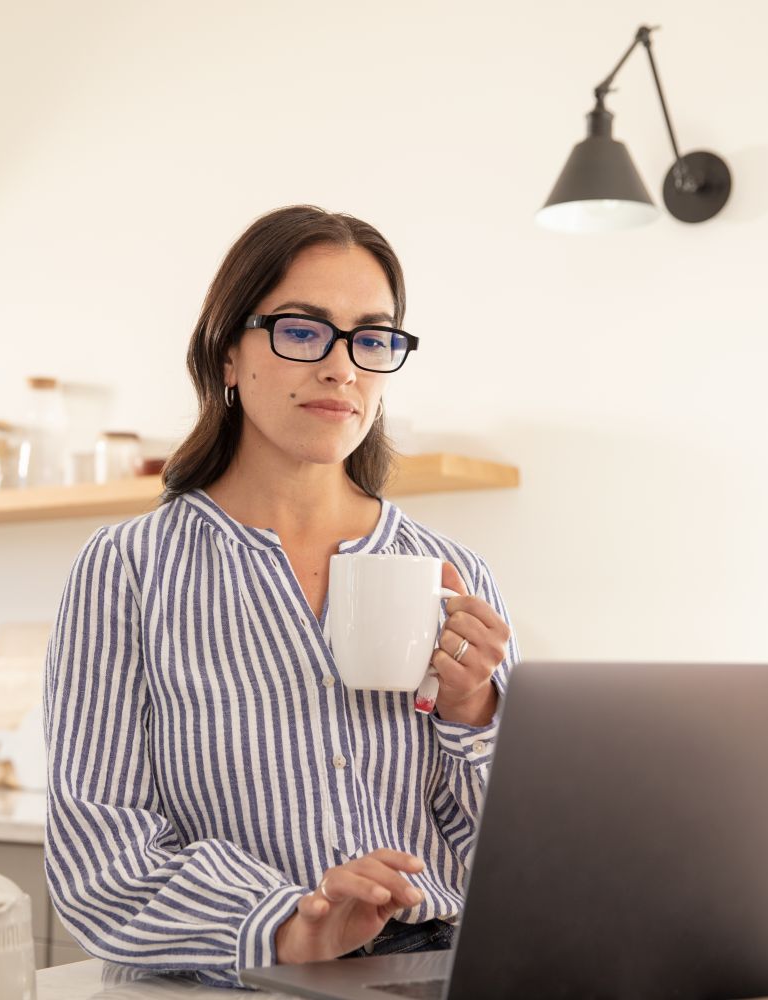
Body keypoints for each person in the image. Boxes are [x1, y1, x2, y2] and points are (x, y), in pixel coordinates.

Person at [43, 205, 519, 988]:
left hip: (433, 975)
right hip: (238, 980)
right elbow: (100, 858)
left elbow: (517, 864)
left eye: (372, 338)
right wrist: (292, 927)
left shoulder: (452, 572)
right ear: (228, 355)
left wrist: (475, 714)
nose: (343, 368)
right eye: (303, 331)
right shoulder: (127, 569)